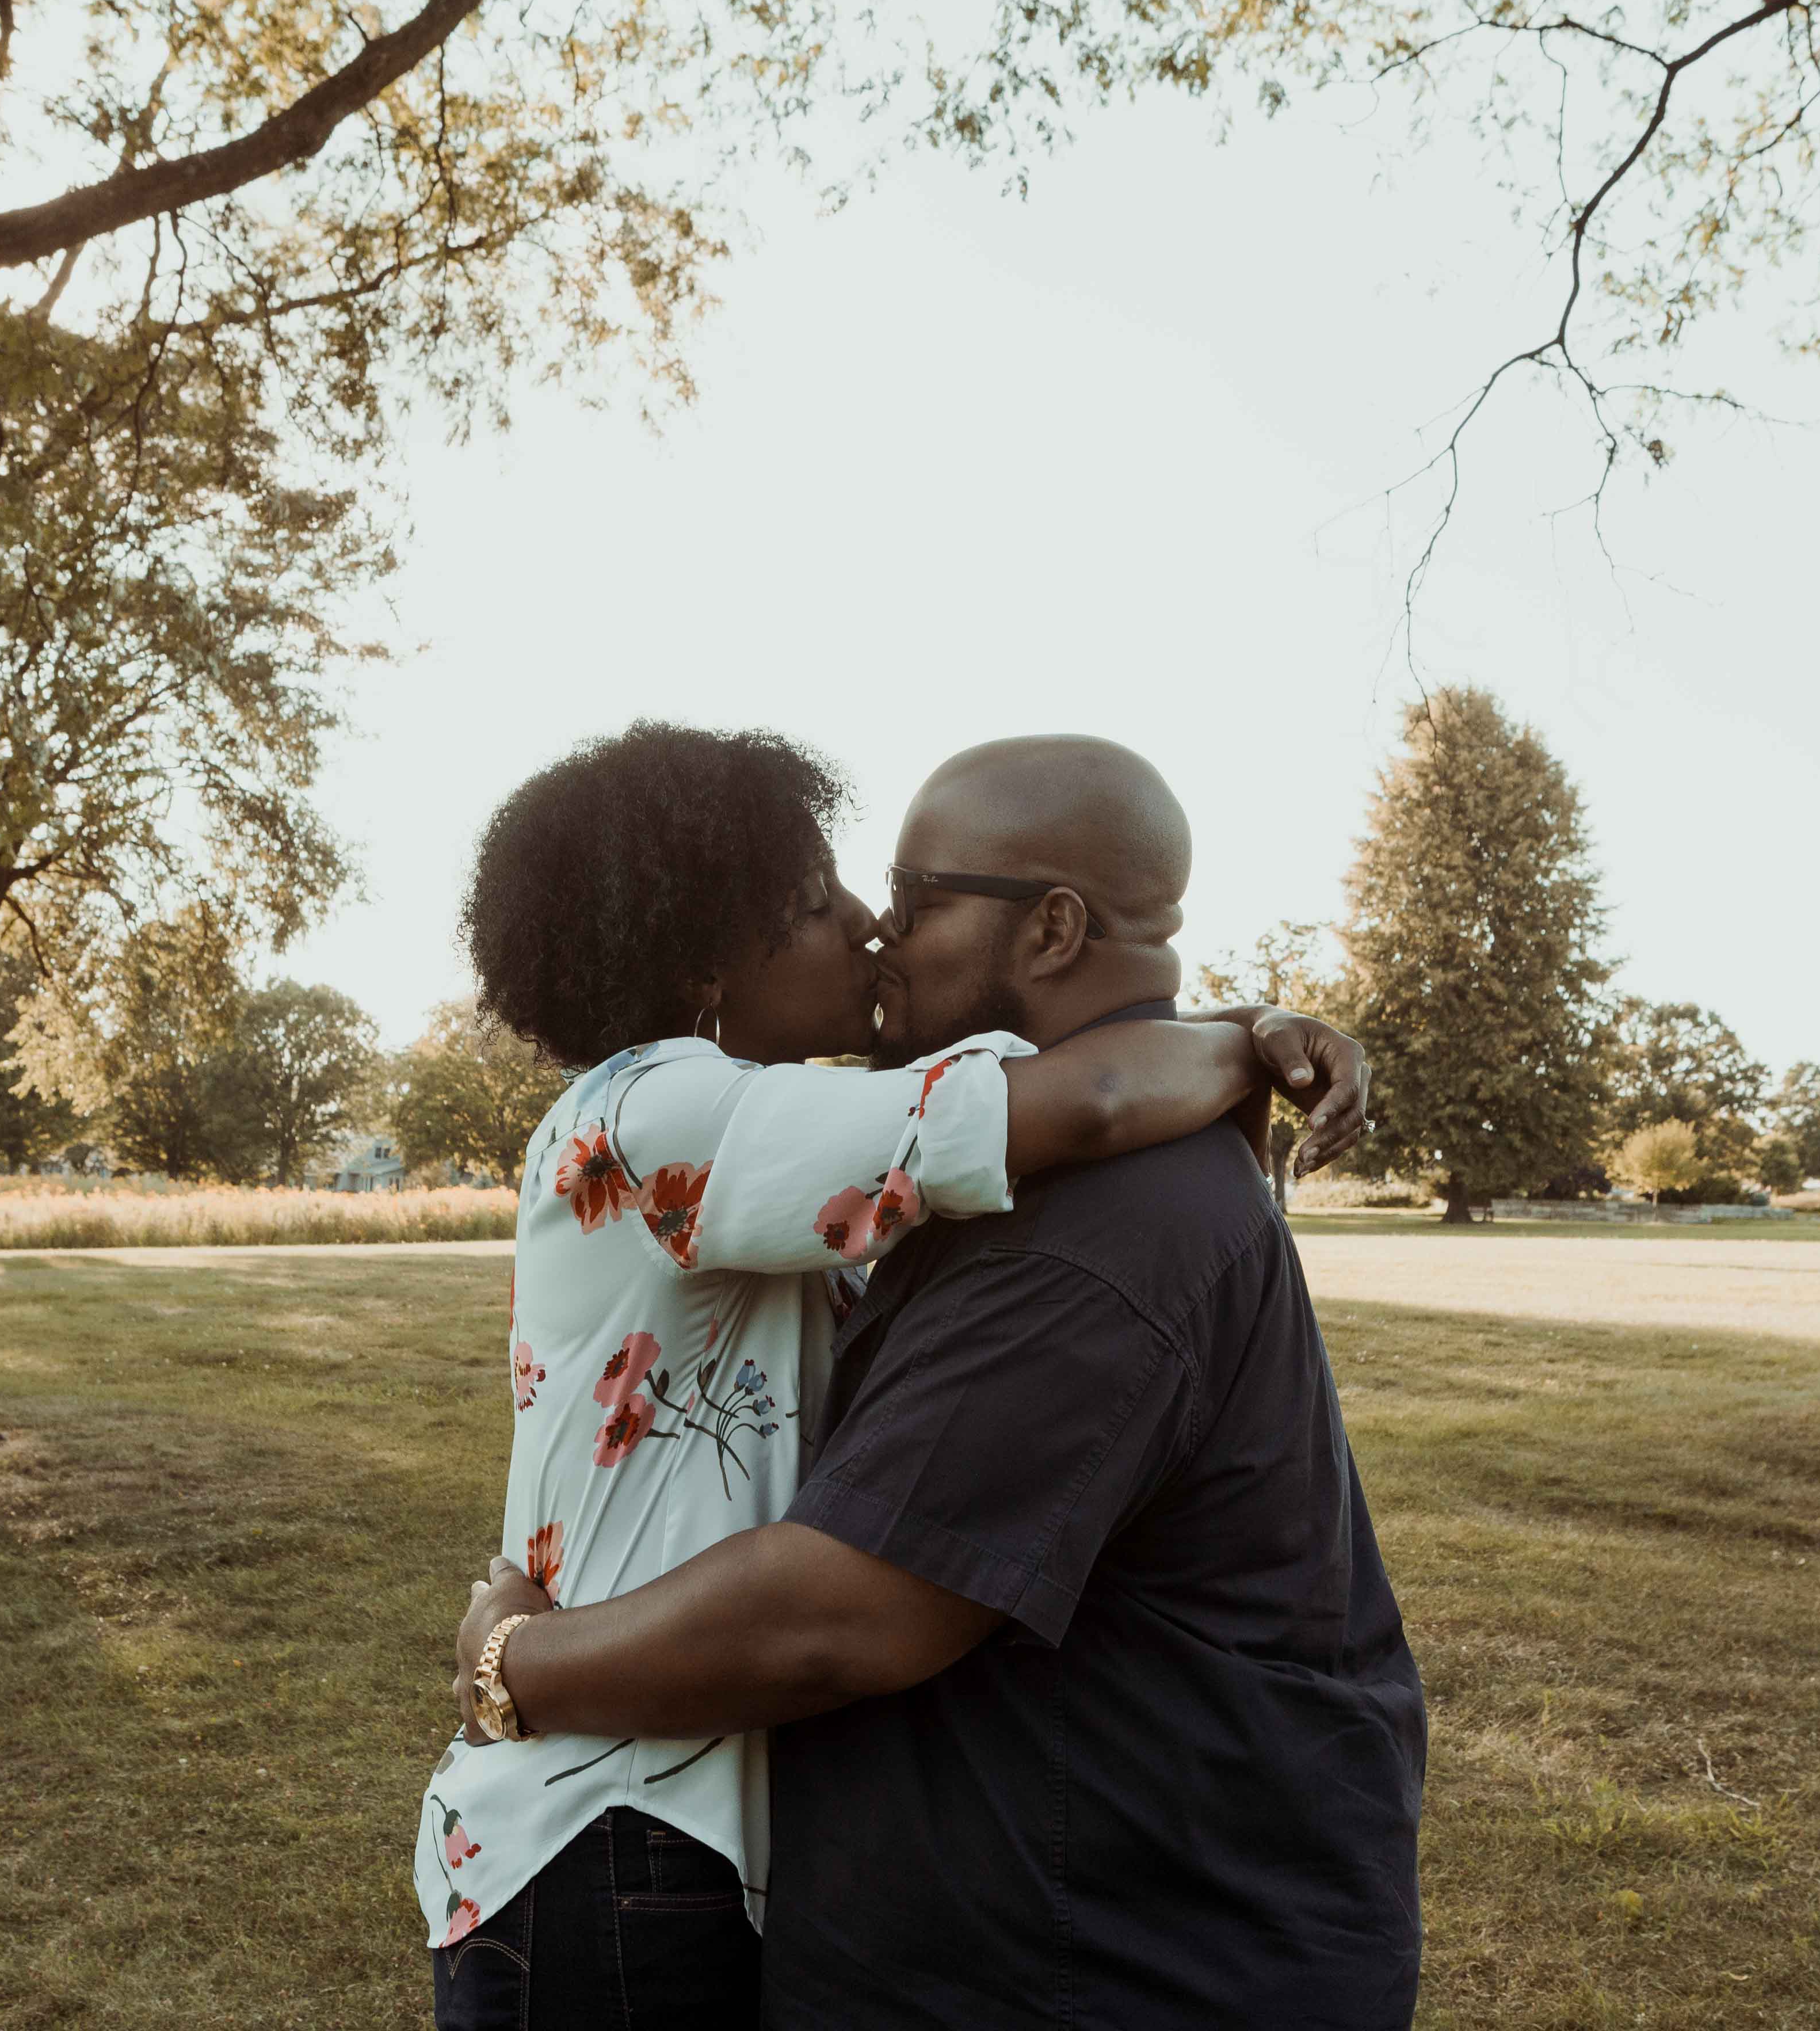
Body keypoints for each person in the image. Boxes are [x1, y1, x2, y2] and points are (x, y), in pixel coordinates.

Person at [453, 733, 1426, 2028]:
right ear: (706, 964)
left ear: (1054, 929)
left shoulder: (1103, 1219)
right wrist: (1245, 1040)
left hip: (1101, 1966)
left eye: (910, 902)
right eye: (831, 902)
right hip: (612, 1833)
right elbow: (1071, 1099)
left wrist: (518, 1662)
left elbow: (846, 1612)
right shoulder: (674, 1116)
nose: (871, 931)